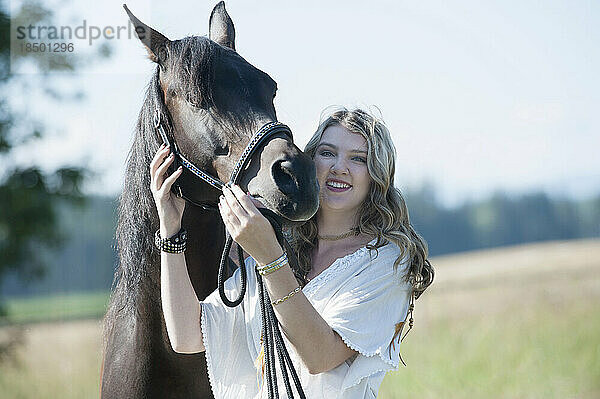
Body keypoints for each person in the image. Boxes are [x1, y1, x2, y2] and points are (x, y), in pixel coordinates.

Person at [151, 107, 434, 398]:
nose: (339, 167)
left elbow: (320, 356)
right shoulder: (282, 248)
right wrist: (171, 229)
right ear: (309, 162)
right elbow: (186, 336)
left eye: (358, 159)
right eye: (327, 153)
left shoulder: (387, 262)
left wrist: (270, 258)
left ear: (377, 174)